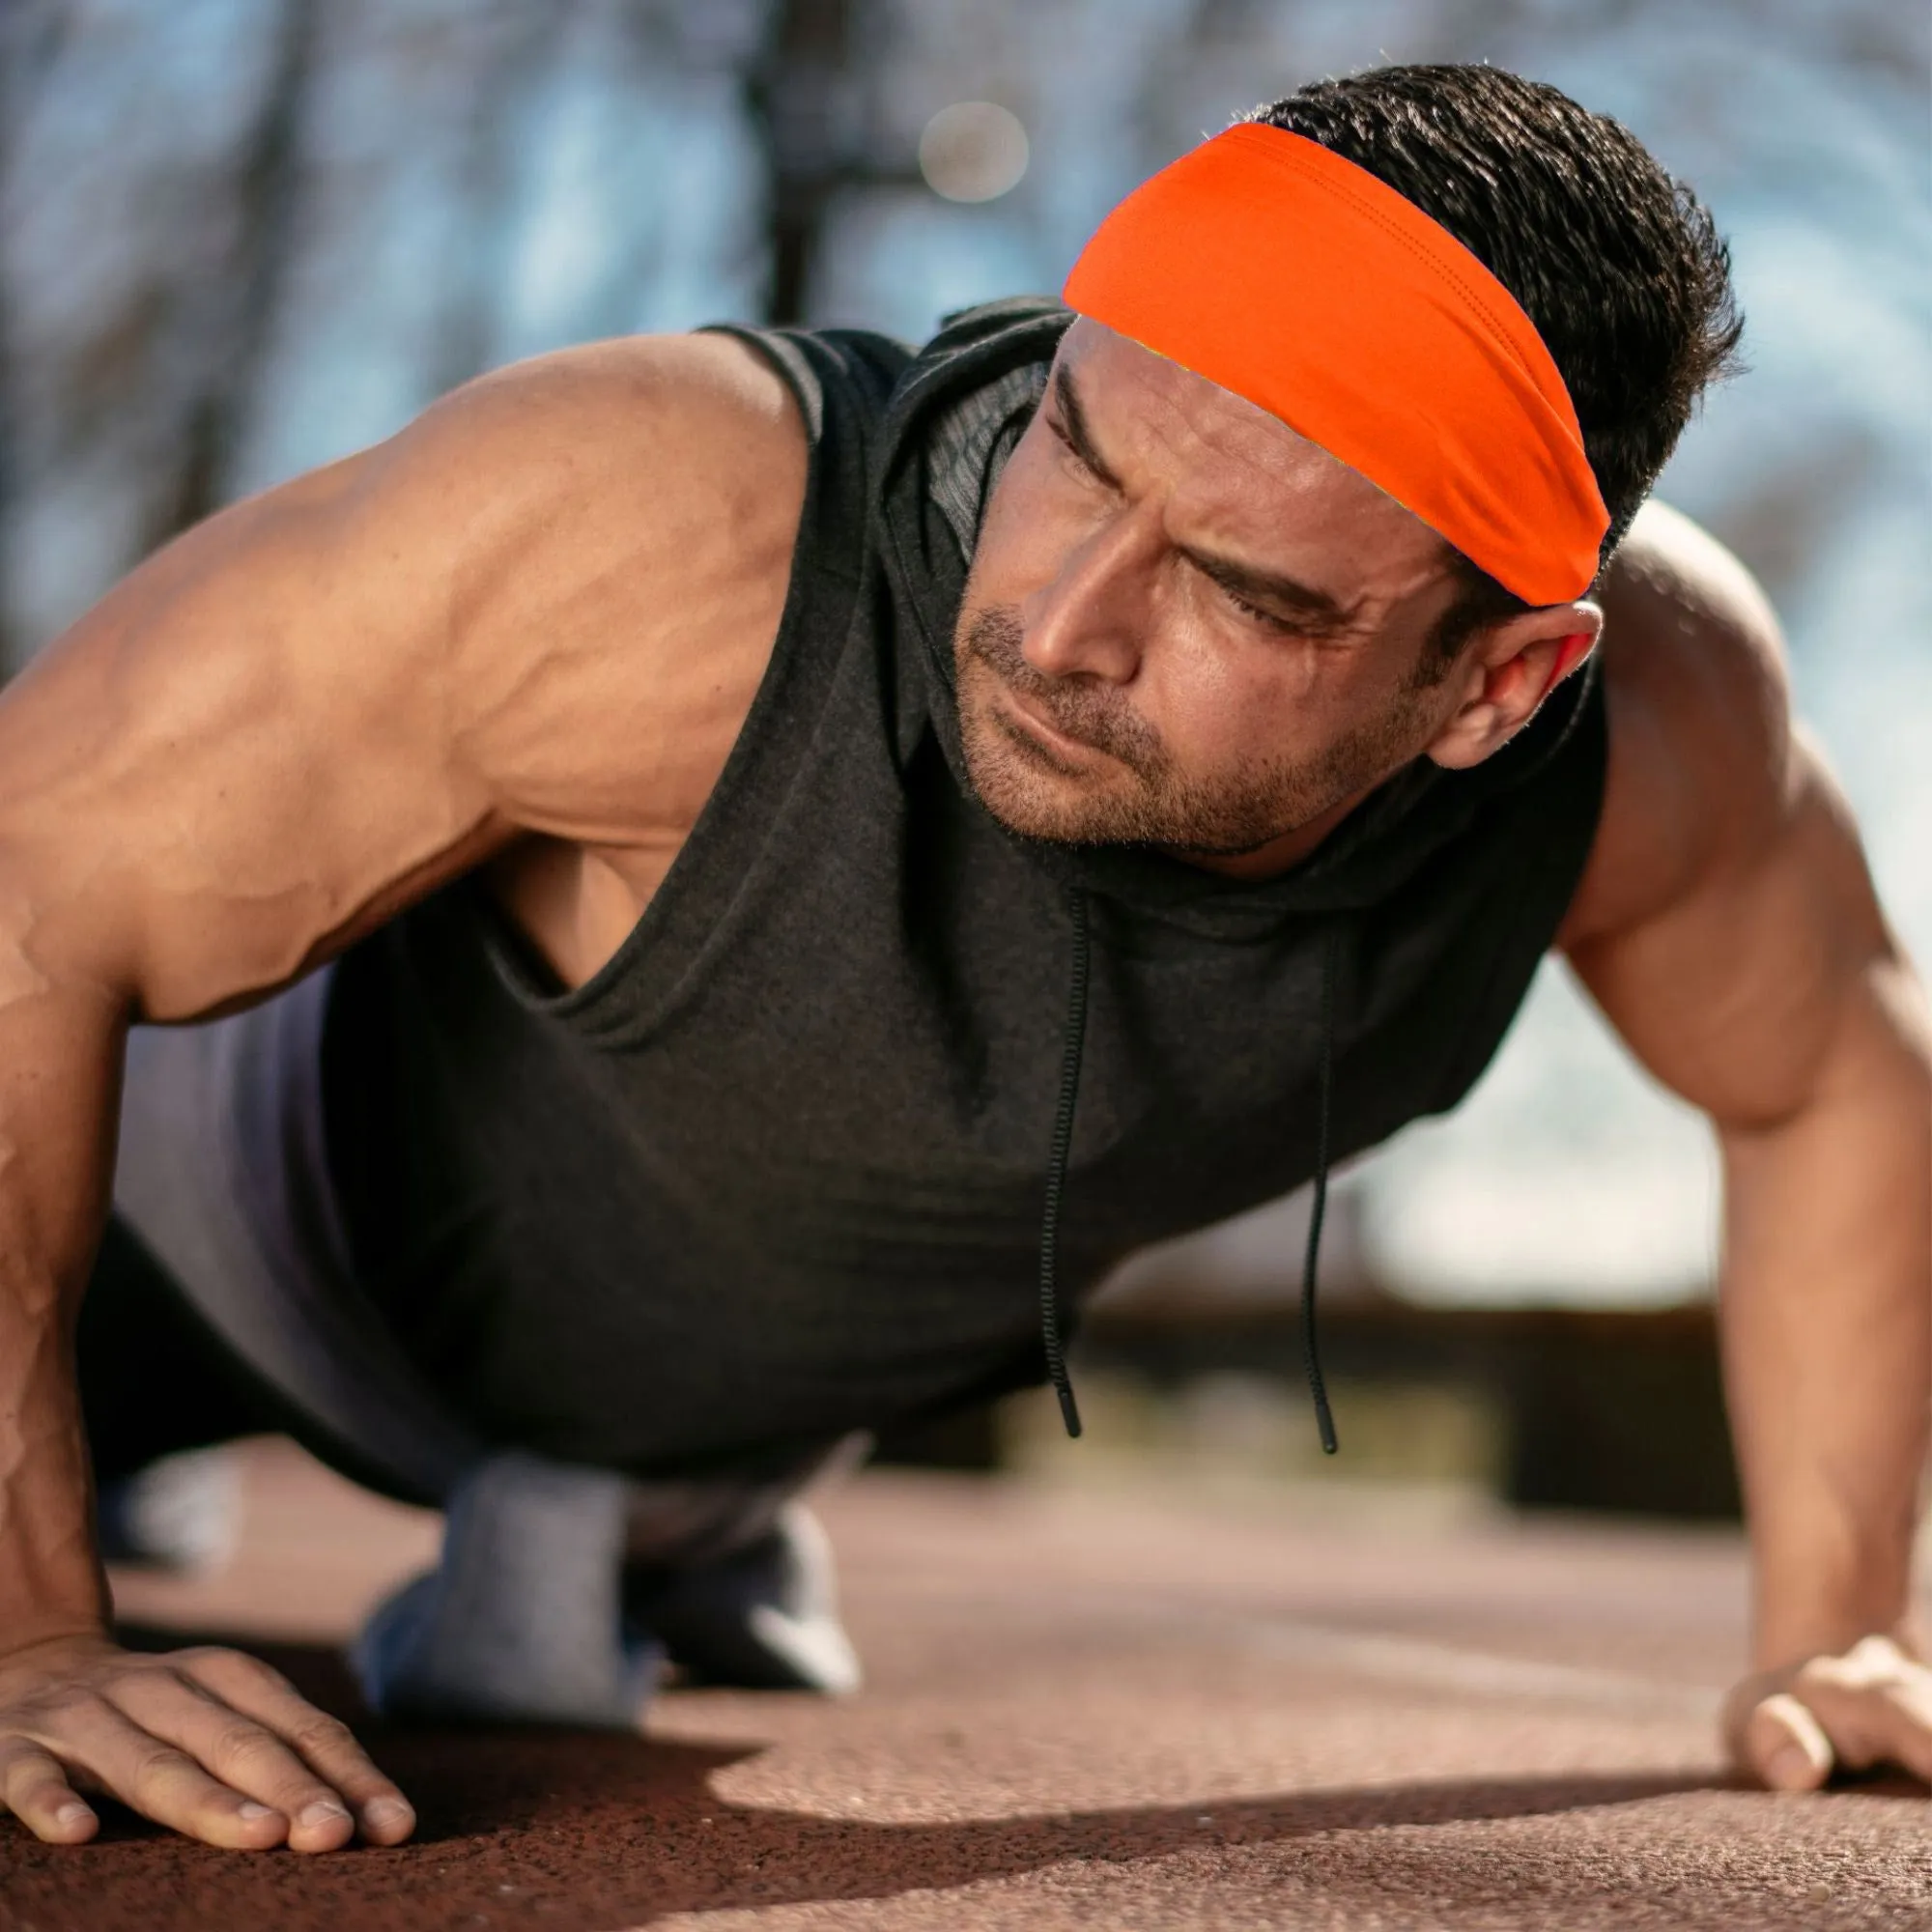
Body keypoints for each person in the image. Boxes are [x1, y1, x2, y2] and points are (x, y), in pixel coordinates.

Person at [0, 62, 1926, 1857]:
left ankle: (639, 1516)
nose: (1063, 620)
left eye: (1245, 591)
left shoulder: (1659, 732)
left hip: (695, 1430)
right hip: (202, 1237)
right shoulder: (659, 526)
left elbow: (1834, 1070)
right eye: (1077, 455)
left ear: (1500, 683)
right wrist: (27, 1631)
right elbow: (33, 867)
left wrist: (1833, 1628)